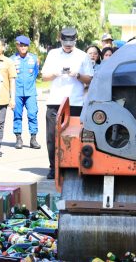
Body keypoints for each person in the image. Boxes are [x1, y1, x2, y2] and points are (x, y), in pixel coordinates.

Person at [41, 27, 93, 179]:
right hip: (55, 101)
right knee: (52, 136)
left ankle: (72, 166)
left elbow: (90, 78)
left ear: (75, 40)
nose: (68, 46)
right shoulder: (53, 54)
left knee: (73, 136)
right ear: (60, 40)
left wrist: (77, 75)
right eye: (65, 43)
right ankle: (53, 167)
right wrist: (55, 73)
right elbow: (44, 76)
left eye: (71, 43)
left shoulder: (83, 56)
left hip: (75, 102)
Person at [10, 35, 40, 150]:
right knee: (17, 115)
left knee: (32, 114)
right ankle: (18, 138)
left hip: (30, 92)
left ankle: (33, 138)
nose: (23, 47)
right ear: (17, 46)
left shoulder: (34, 58)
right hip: (17, 92)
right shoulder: (12, 59)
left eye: (25, 45)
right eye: (21, 45)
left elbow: (35, 73)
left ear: (28, 46)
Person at [0, 38, 15, 158]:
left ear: (3, 48)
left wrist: (12, 98)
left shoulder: (8, 62)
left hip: (3, 98)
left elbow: (12, 80)